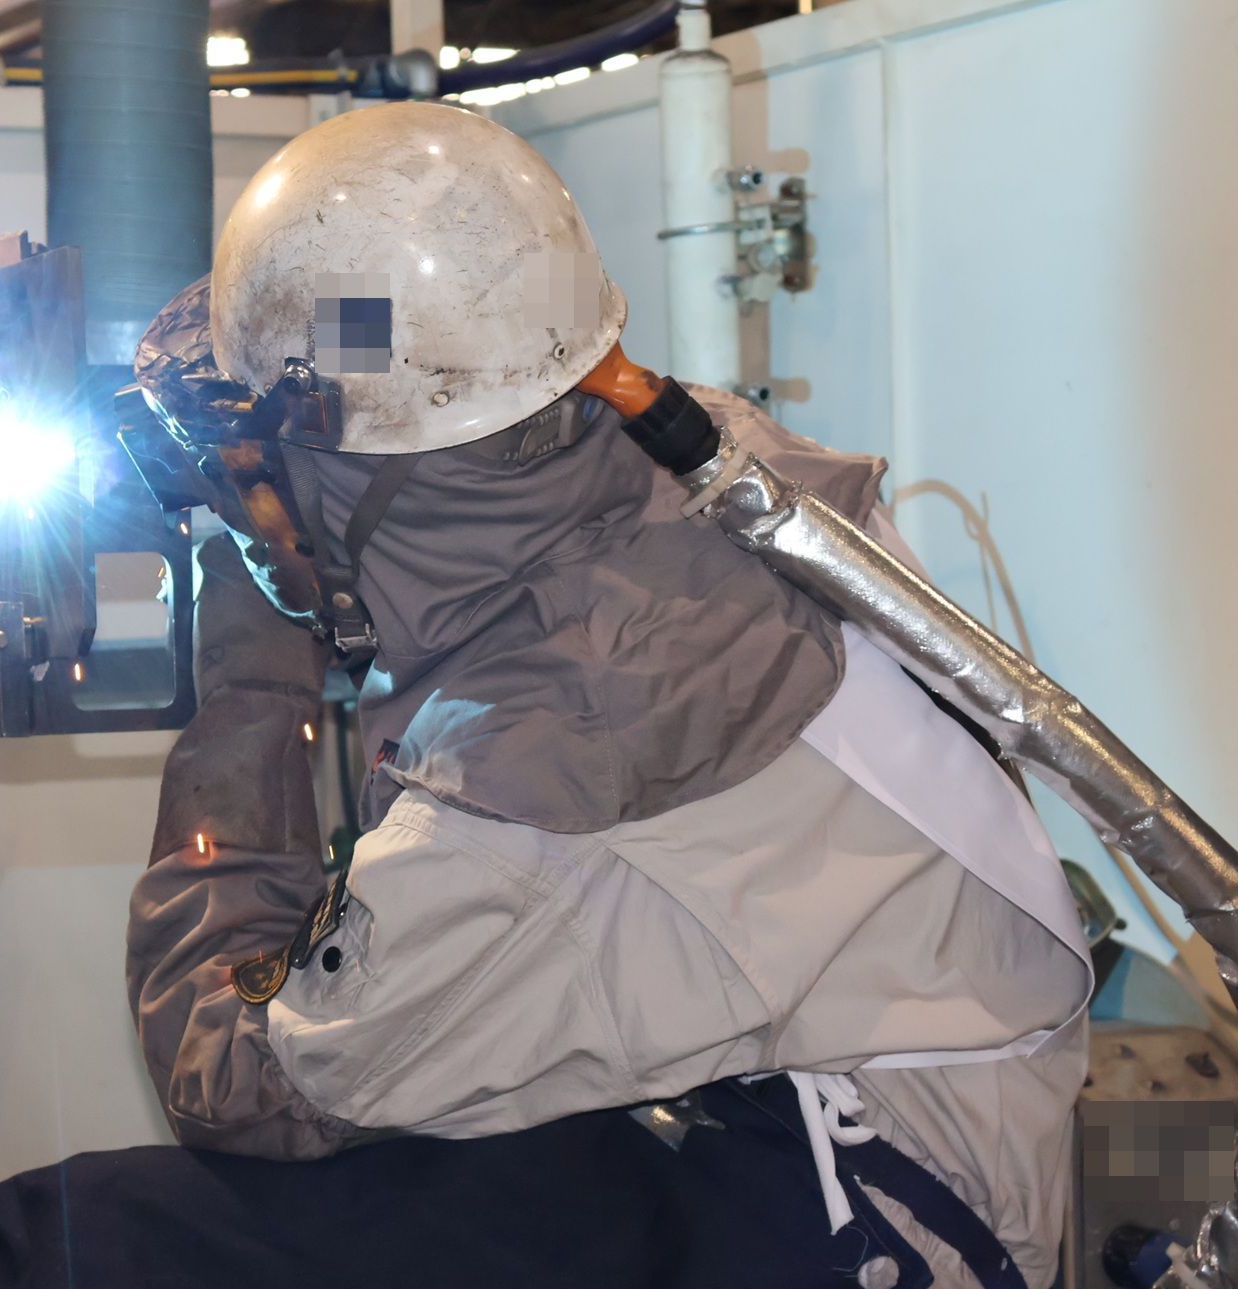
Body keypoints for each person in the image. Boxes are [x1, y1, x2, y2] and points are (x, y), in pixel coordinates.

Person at [124, 101, 1090, 1288]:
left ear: (340, 465)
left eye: (261, 470)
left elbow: (238, 1080)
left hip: (876, 1220)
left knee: (147, 1227)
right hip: (895, 1100)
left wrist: (249, 674)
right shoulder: (711, 461)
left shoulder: (533, 792)